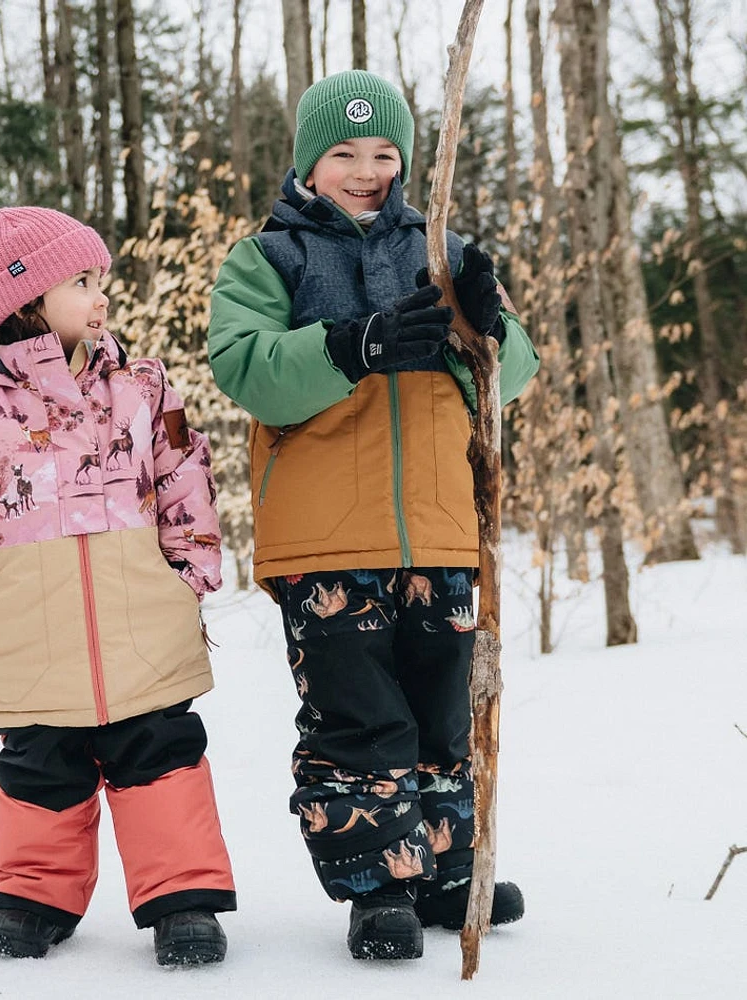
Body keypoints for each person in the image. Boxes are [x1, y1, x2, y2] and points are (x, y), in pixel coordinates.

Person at [208, 70, 539, 960]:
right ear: (310, 162)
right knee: (361, 718)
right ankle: (378, 887)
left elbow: (517, 375)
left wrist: (488, 325)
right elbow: (244, 366)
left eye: (385, 152)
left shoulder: (441, 248)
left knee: (443, 711)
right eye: (344, 153)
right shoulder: (268, 257)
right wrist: (351, 345)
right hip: (324, 537)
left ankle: (442, 871)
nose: (366, 169)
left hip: (439, 529)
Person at [0, 206, 236, 966]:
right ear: (25, 299)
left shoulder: (140, 385)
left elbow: (184, 472)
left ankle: (183, 900)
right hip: (29, 620)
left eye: (102, 281)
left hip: (139, 611)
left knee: (159, 746)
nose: (101, 298)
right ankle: (34, 897)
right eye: (82, 282)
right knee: (38, 755)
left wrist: (187, 570)